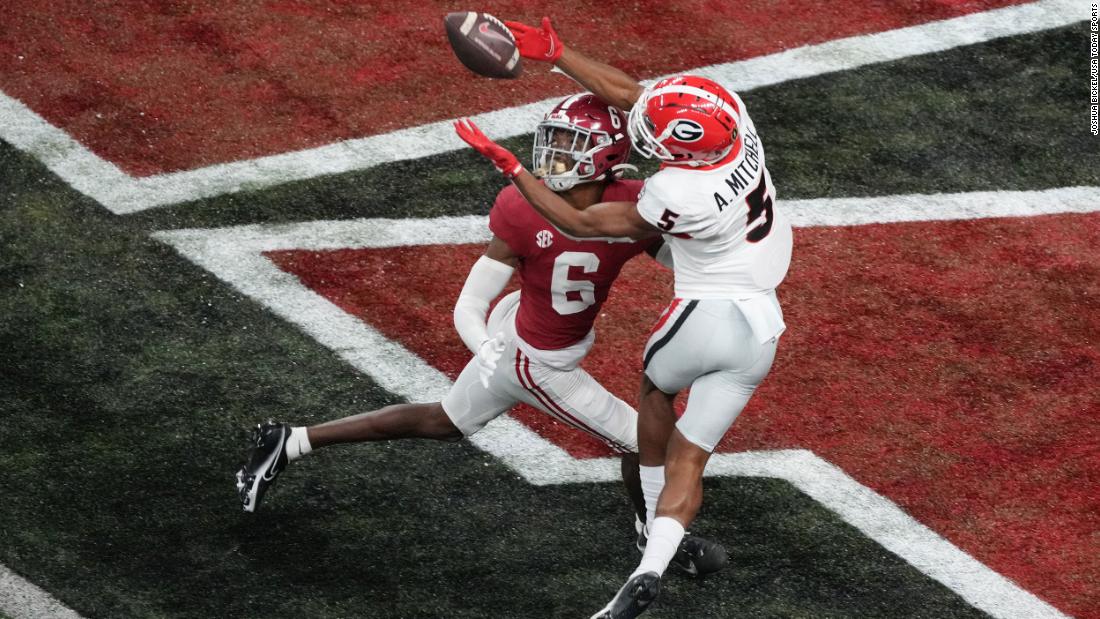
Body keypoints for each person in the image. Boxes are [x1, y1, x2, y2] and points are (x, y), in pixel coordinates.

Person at [235, 93, 727, 578]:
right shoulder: (522, 206)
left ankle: (291, 440)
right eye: (552, 140)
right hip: (534, 359)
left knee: (445, 420)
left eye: (571, 143)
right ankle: (654, 535)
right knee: (642, 440)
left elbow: (674, 257)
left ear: (607, 157)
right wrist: (489, 350)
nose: (553, 154)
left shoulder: (632, 204)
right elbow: (471, 303)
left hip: (527, 343)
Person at [455, 17, 793, 619]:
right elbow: (636, 98)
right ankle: (650, 565)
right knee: (694, 455)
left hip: (703, 312)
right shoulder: (737, 128)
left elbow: (580, 224)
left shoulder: (673, 195)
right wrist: (556, 54)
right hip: (763, 326)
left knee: (653, 406)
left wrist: (512, 169)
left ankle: (649, 530)